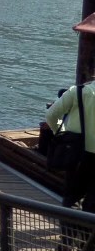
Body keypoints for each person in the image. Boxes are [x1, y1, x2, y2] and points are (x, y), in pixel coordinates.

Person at [45, 83, 95, 214]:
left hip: (77, 152)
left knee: (72, 198)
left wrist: (61, 131)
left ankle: (69, 233)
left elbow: (51, 115)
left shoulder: (77, 91)